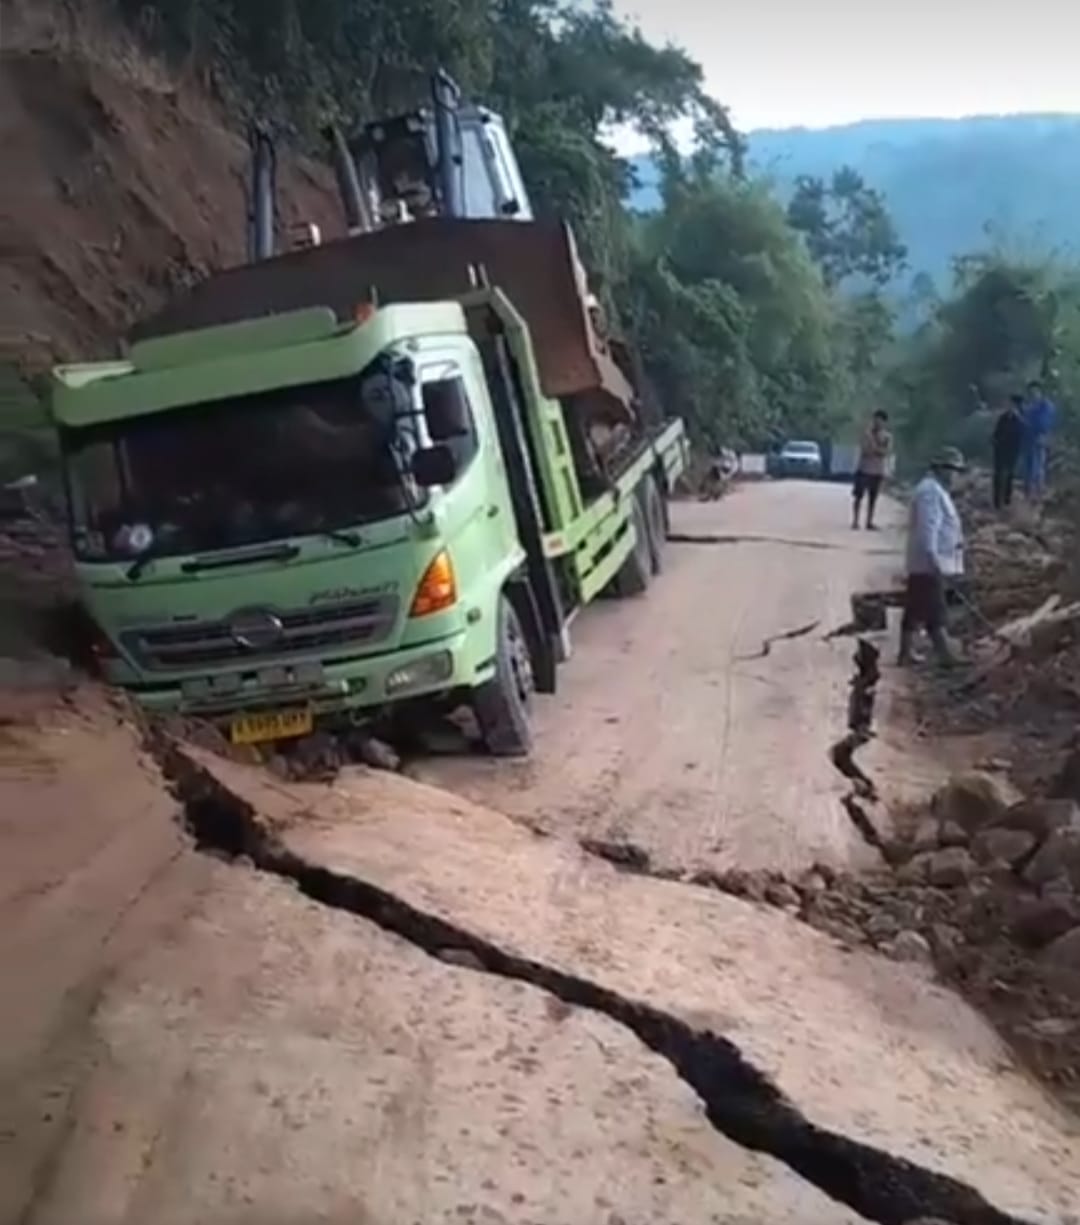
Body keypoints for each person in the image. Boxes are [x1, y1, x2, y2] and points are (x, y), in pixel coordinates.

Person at [899, 447, 966, 667]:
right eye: (953, 470)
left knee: (916, 607)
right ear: (942, 469)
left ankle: (905, 652)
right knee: (935, 611)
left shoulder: (935, 490)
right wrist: (934, 559)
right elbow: (928, 529)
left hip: (926, 562)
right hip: (929, 562)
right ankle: (946, 655)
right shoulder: (930, 492)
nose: (956, 475)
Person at [852, 410, 893, 530]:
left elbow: (886, 452)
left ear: (884, 422)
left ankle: (869, 521)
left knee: (872, 498)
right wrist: (877, 450)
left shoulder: (887, 437)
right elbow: (865, 450)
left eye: (880, 420)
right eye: (876, 419)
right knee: (858, 496)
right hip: (863, 468)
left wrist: (874, 449)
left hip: (877, 470)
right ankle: (855, 521)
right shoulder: (866, 434)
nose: (877, 422)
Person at [1022, 379, 1056, 500]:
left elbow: (1045, 424)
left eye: (1035, 391)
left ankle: (1038, 494)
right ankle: (1029, 494)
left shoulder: (1046, 406)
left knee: (1037, 467)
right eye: (1031, 392)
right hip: (1028, 441)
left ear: (1040, 391)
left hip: (1039, 439)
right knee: (1028, 468)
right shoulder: (1029, 408)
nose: (1033, 394)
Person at [991, 394, 1025, 510]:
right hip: (1000, 450)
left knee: (1009, 476)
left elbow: (1020, 439)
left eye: (1011, 404)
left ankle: (1007, 500)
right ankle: (996, 502)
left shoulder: (1019, 421)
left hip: (1012, 452)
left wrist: (1017, 453)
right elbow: (996, 433)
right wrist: (994, 441)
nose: (1009, 406)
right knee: (997, 475)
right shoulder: (1002, 418)